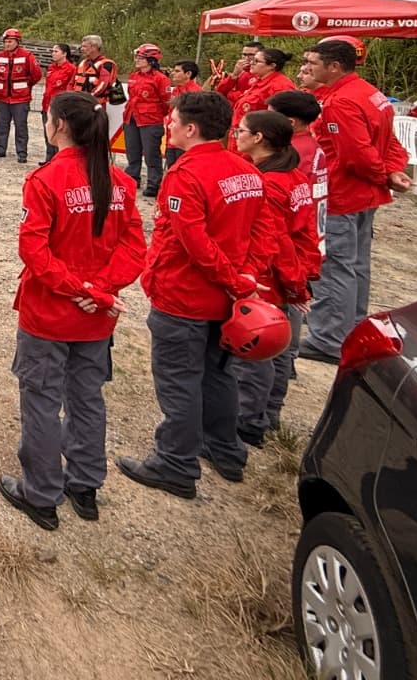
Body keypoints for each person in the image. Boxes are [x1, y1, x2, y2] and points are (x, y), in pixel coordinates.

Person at [0, 92, 145, 531]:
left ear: (59, 125)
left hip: (51, 311)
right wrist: (99, 290)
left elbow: (34, 250)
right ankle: (84, 483)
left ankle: (41, 493)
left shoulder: (47, 179)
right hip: (96, 316)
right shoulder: (118, 181)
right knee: (86, 398)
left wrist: (82, 287)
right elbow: (134, 248)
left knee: (42, 400)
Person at [117, 91, 264, 499]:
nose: (168, 125)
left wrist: (233, 279)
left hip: (185, 295)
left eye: (173, 120)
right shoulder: (246, 170)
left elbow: (194, 243)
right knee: (217, 374)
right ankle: (225, 450)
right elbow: (258, 231)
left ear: (191, 128)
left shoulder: (186, 174)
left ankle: (175, 463)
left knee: (180, 380)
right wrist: (243, 278)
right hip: (225, 298)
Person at [297, 39, 410, 363]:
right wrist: (390, 171)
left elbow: (355, 155)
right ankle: (349, 327)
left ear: (334, 66)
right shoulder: (370, 94)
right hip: (364, 195)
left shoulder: (340, 102)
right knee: (356, 265)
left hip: (342, 194)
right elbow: (389, 143)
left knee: (334, 267)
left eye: (313, 62)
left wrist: (384, 174)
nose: (308, 67)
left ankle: (330, 339)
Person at [233, 110, 319, 446]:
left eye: (240, 130)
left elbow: (275, 239)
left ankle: (250, 421)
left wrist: (295, 285)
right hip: (291, 273)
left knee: (259, 350)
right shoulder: (294, 175)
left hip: (273, 276)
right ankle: (270, 412)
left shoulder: (268, 183)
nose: (235, 135)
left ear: (258, 138)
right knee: (282, 347)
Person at [270, 87, 329, 366]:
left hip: (294, 239)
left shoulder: (294, 153)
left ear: (289, 123)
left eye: (271, 117)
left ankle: (285, 357)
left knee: (287, 303)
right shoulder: (311, 146)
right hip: (308, 234)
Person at [123, 44, 169, 197]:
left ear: (151, 60)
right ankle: (132, 177)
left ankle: (153, 183)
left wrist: (155, 115)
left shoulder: (160, 79)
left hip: (150, 120)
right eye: (137, 57)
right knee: (132, 150)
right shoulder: (134, 75)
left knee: (151, 154)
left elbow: (166, 102)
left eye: (141, 58)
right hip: (132, 118)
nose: (137, 60)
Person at [0, 28, 42, 161]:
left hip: (20, 98)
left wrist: (25, 85)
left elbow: (36, 75)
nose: (7, 44)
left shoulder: (27, 56)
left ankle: (22, 154)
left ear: (18, 42)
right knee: (2, 125)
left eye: (10, 41)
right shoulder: (0, 56)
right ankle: (0, 149)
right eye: (6, 41)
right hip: (2, 98)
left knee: (21, 127)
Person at [228, 47, 295, 142]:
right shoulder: (259, 81)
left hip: (256, 141)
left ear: (272, 65)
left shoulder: (280, 86)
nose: (251, 63)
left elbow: (280, 121)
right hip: (240, 138)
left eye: (256, 61)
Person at [162, 60, 203, 170]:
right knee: (171, 167)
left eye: (177, 71)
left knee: (184, 169)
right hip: (172, 137)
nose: (173, 74)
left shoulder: (196, 93)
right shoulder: (176, 90)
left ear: (188, 74)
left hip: (186, 139)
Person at [41, 43, 78, 161]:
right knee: (48, 133)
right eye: (52, 51)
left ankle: (59, 159)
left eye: (56, 51)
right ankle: (49, 158)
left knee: (60, 133)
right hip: (47, 104)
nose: (53, 53)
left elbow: (70, 87)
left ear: (64, 54)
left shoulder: (71, 69)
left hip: (60, 106)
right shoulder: (51, 67)